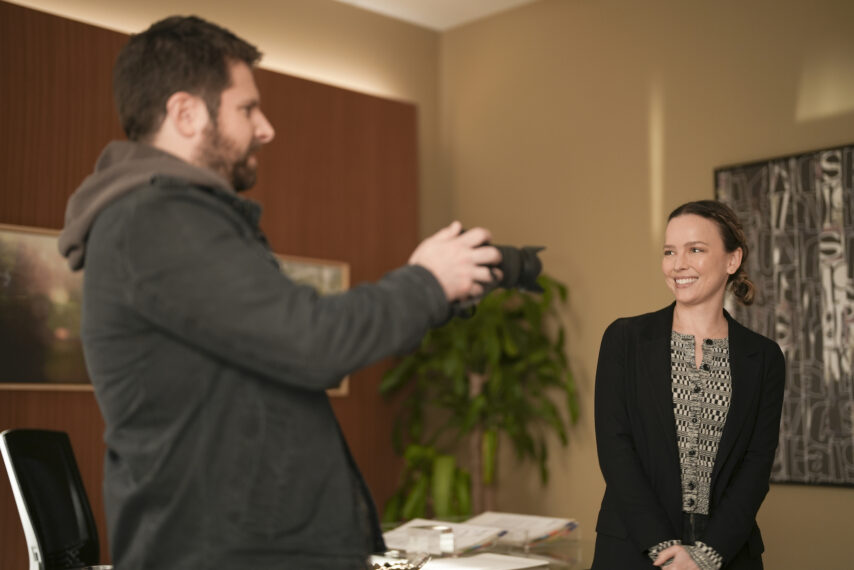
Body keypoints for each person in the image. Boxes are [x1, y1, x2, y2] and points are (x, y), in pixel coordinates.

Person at [58, 15, 500, 570]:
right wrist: (426, 282)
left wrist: (432, 292)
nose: (265, 128)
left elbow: (282, 353)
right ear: (185, 113)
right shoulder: (155, 218)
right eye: (247, 108)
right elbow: (310, 342)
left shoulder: (170, 220)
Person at [591, 200, 786, 569]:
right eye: (669, 251)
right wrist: (665, 551)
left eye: (695, 249)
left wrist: (704, 558)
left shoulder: (763, 357)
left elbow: (756, 467)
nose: (678, 263)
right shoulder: (624, 339)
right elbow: (615, 450)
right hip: (631, 551)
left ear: (732, 260)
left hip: (727, 556)